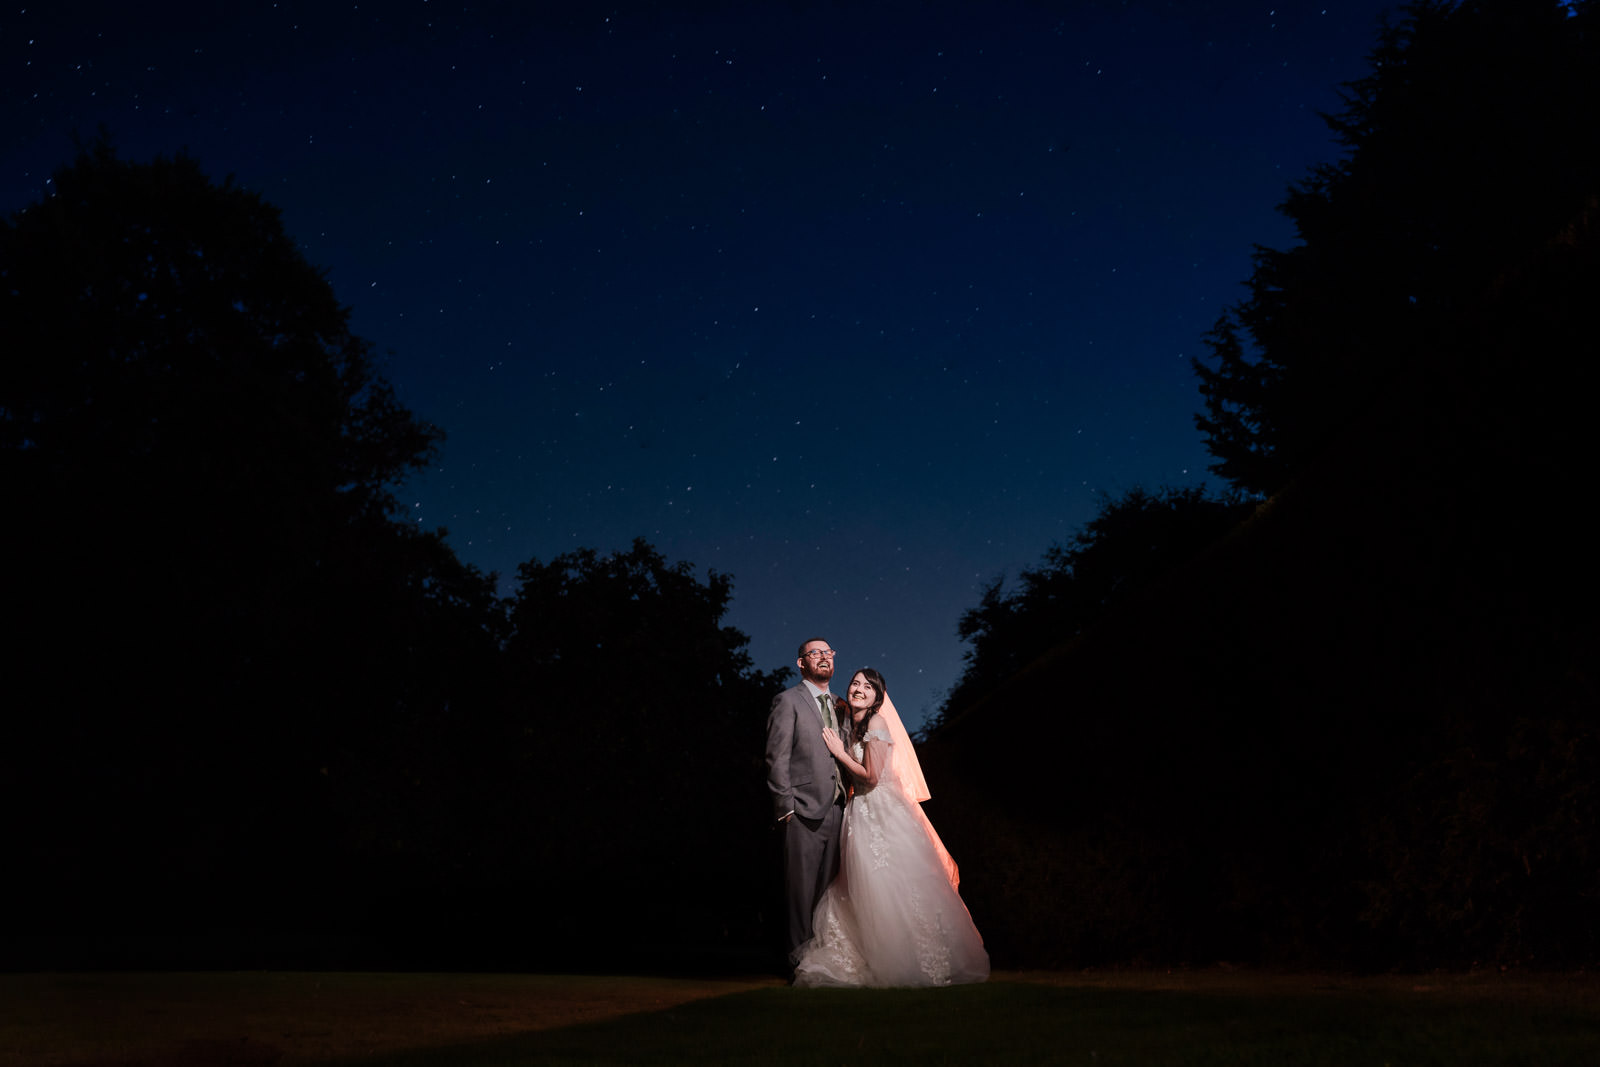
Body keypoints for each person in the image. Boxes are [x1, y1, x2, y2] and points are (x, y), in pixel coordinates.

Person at [792, 668, 990, 987]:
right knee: (860, 884)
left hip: (882, 811)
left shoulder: (877, 723)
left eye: (867, 687)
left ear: (877, 697)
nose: (859, 689)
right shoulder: (851, 725)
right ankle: (867, 954)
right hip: (860, 812)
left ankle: (915, 960)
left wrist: (840, 753)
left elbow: (871, 776)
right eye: (855, 683)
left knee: (891, 883)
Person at [765, 637, 849, 966]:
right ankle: (799, 965)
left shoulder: (842, 706)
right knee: (799, 894)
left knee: (828, 897)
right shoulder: (788, 701)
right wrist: (785, 808)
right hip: (801, 811)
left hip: (839, 810)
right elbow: (776, 757)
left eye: (829, 652)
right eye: (816, 653)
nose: (824, 657)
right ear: (802, 662)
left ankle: (824, 962)